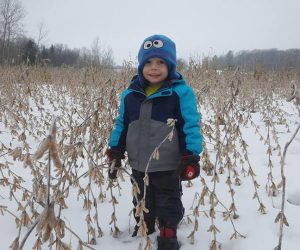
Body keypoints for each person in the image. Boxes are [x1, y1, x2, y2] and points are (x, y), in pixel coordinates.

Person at [106, 34, 202, 250]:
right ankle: (144, 224)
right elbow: (122, 124)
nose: (154, 68)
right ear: (141, 66)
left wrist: (191, 156)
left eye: (161, 62)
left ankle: (168, 231)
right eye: (148, 62)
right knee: (141, 198)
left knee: (169, 200)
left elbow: (190, 125)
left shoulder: (180, 93)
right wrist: (115, 151)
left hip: (168, 164)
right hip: (138, 163)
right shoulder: (130, 94)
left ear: (171, 65)